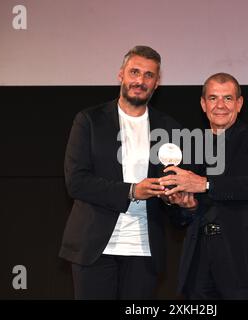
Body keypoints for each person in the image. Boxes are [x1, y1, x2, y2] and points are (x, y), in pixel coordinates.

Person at [59, 45, 184, 299]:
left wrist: (177, 199)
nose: (140, 80)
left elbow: (172, 183)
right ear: (121, 75)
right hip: (94, 246)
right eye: (134, 72)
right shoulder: (89, 120)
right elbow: (76, 181)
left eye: (148, 75)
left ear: (157, 82)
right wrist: (131, 191)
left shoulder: (170, 127)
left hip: (144, 250)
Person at [159, 73, 248, 299]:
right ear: (204, 105)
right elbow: (180, 217)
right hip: (198, 258)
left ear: (239, 104)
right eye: (213, 98)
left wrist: (204, 184)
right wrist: (185, 205)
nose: (220, 105)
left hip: (242, 258)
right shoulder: (191, 145)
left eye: (228, 98)